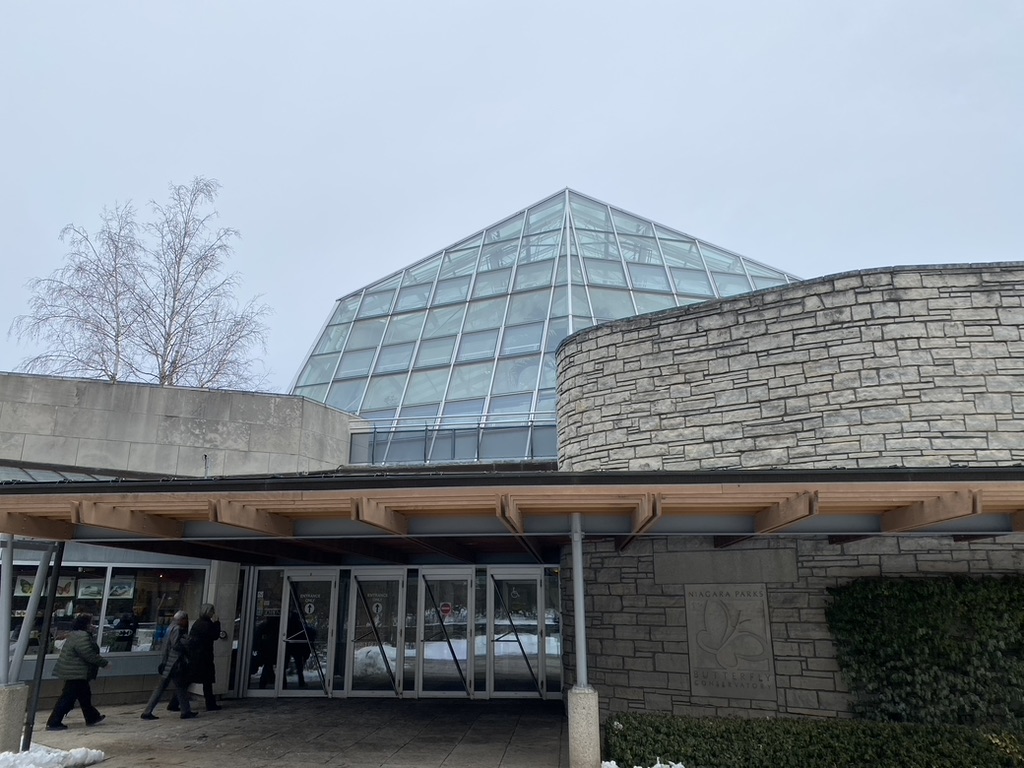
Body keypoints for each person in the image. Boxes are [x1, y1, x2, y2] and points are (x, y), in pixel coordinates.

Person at [45, 613, 109, 730]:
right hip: (76, 672)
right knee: (68, 698)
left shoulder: (76, 635)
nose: (93, 626)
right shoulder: (82, 636)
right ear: (85, 625)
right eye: (91, 623)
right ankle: (54, 721)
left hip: (75, 671)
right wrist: (104, 663)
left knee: (84, 695)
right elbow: (88, 654)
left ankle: (92, 716)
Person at [140, 610, 195, 720]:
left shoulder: (170, 627)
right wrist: (187, 641)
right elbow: (176, 645)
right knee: (179, 687)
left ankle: (148, 711)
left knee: (167, 687)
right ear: (182, 620)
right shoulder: (177, 629)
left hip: (168, 662)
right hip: (175, 662)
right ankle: (185, 711)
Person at [168, 603, 221, 711]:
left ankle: (174, 702)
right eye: (212, 611)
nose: (213, 613)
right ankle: (210, 704)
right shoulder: (206, 624)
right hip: (202, 657)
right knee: (204, 681)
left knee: (190, 680)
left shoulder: (199, 623)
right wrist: (217, 623)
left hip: (197, 656)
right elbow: (215, 635)